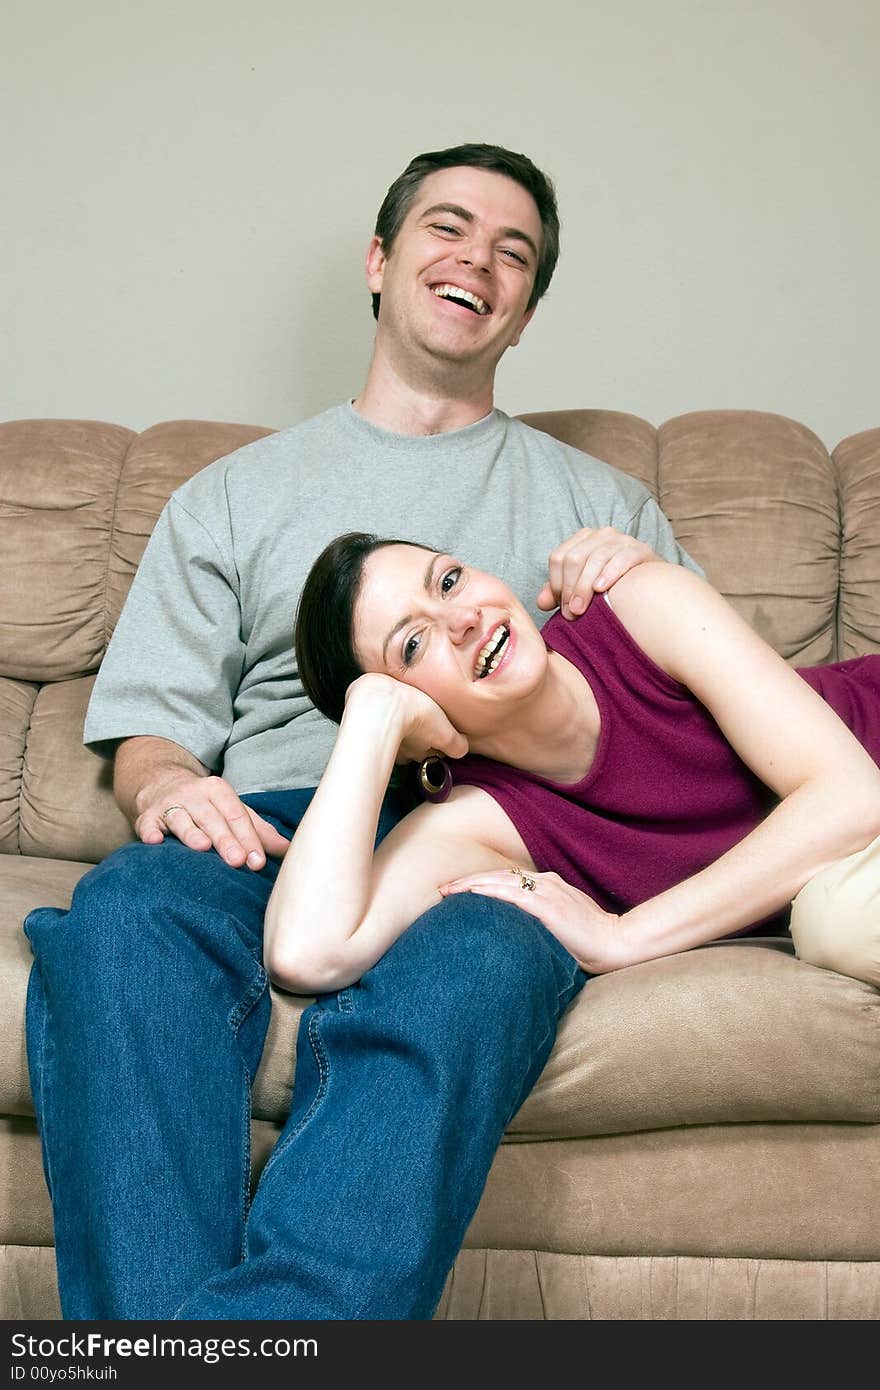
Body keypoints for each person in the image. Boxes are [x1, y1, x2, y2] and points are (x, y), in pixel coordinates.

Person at [23, 143, 701, 1322]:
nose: (476, 262)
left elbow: (687, 728)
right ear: (381, 262)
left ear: (524, 312)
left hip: (494, 836)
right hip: (280, 824)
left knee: (483, 966)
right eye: (447, 230)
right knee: (126, 908)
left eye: (512, 254)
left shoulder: (602, 506)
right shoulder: (235, 493)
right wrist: (170, 787)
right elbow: (150, 733)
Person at [272, 531, 880, 995]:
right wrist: (371, 718)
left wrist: (622, 937)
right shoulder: (473, 821)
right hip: (850, 872)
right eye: (412, 644)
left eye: (449, 581)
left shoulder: (637, 606)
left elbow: (852, 796)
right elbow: (308, 953)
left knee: (840, 920)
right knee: (840, 920)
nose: (462, 620)